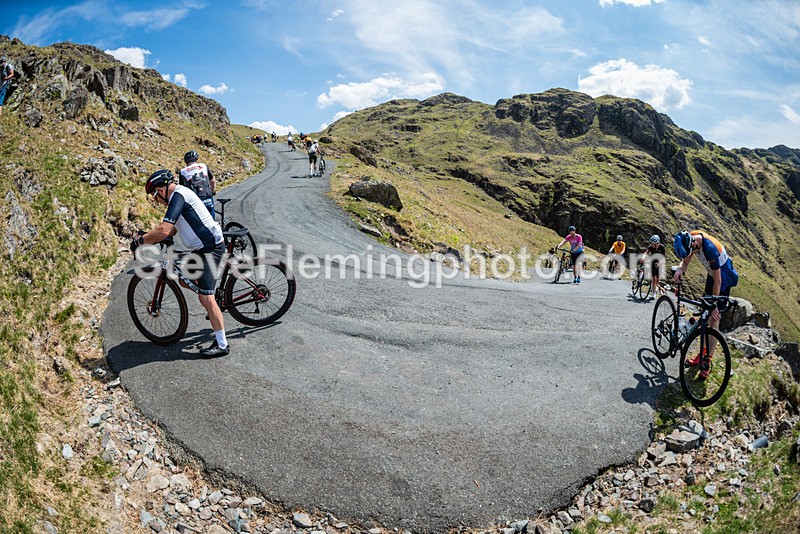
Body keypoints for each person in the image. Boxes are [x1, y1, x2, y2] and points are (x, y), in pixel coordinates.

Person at [131, 169, 229, 357]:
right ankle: (211, 298)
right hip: (200, 249)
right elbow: (172, 230)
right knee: (184, 280)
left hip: (211, 248)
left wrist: (140, 241)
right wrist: (159, 237)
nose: (155, 200)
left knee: (205, 298)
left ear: (161, 190)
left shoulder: (179, 195)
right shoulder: (178, 196)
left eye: (154, 195)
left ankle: (222, 345)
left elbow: (164, 229)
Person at [673, 230, 739, 379]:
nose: (691, 255)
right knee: (704, 316)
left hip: (724, 279)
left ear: (694, 244)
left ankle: (707, 360)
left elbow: (719, 281)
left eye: (692, 252)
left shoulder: (710, 249)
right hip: (712, 276)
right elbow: (685, 262)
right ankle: (701, 354)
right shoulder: (690, 240)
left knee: (713, 320)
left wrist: (715, 305)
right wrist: (679, 270)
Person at [178, 150, 216, 218]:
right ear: (196, 159)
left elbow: (182, 189)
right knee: (212, 221)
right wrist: (213, 192)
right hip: (207, 195)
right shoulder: (203, 166)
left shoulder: (182, 171)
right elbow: (212, 181)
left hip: (195, 199)